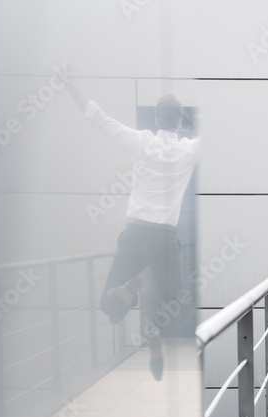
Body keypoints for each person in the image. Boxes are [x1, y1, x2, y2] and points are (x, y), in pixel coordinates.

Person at [64, 72, 200, 380]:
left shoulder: (140, 141)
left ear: (155, 119)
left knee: (107, 305)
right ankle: (154, 330)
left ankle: (127, 292)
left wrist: (70, 85)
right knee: (175, 303)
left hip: (135, 234)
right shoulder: (188, 150)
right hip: (165, 239)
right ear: (179, 122)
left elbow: (99, 120)